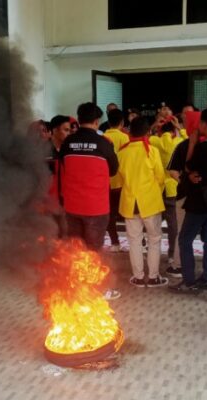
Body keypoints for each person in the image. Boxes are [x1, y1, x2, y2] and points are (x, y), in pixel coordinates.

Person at [59, 102, 120, 300]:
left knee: (76, 249)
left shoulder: (67, 143)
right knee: (94, 250)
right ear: (97, 121)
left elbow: (63, 167)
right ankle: (98, 290)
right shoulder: (104, 144)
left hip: (72, 206)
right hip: (96, 207)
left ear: (78, 118)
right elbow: (113, 170)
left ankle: (76, 288)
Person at [169, 107, 207, 292]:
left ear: (204, 124)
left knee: (185, 239)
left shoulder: (203, 147)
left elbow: (188, 166)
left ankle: (189, 280)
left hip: (198, 202)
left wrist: (192, 143)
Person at [118, 117, 167, 287]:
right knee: (154, 239)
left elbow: (118, 180)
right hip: (150, 202)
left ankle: (138, 277)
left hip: (130, 203)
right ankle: (153, 277)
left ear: (130, 131)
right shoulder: (151, 151)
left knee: (134, 241)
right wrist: (155, 192)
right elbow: (161, 178)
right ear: (148, 132)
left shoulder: (122, 152)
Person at [150, 118, 183, 268]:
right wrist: (180, 128)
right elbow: (190, 139)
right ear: (173, 131)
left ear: (160, 131)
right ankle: (171, 254)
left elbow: (143, 137)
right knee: (173, 225)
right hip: (173, 188)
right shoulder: (179, 142)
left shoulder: (155, 141)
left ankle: (151, 252)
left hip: (157, 188)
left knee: (153, 223)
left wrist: (154, 127)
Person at [103, 109, 129, 251]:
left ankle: (115, 243)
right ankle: (140, 242)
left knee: (110, 214)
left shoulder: (103, 137)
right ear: (122, 122)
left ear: (108, 121)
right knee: (129, 215)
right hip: (122, 182)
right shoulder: (125, 138)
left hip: (107, 182)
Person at [46, 115, 72, 237]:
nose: (69, 133)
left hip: (66, 202)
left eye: (69, 130)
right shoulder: (42, 149)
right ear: (55, 130)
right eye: (66, 130)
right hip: (47, 204)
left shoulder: (70, 150)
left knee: (65, 237)